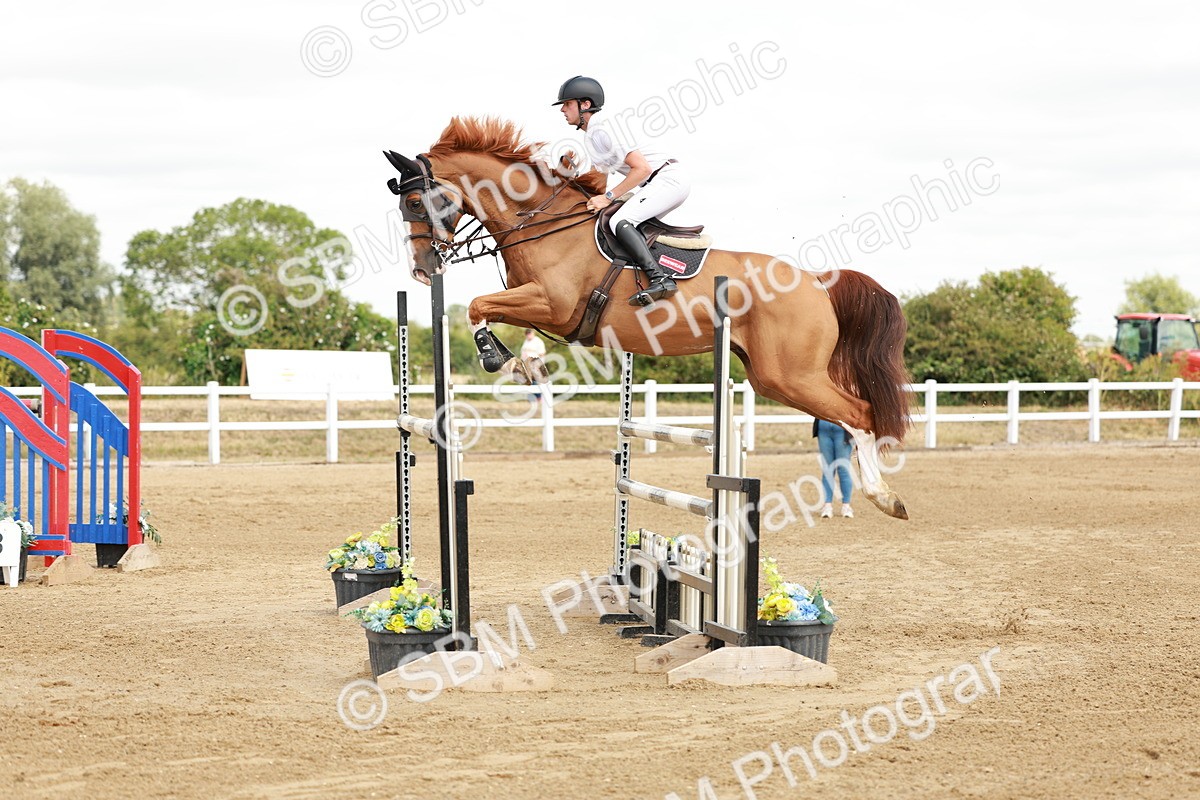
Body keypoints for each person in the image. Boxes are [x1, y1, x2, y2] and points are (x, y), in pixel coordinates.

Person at [552, 75, 690, 307]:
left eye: (567, 104)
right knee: (616, 222)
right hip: (657, 183)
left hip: (666, 179)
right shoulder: (591, 136)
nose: (563, 110)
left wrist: (607, 198)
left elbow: (642, 169)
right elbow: (599, 181)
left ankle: (660, 279)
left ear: (585, 105)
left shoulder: (603, 127)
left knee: (620, 220)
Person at [812, 418, 855, 519]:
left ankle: (846, 505)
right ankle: (827, 505)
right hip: (823, 429)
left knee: (843, 469)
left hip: (842, 430)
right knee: (827, 469)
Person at [520, 328, 547, 401]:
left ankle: (538, 398)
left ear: (533, 333)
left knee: (536, 381)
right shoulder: (526, 342)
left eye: (529, 334)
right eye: (527, 334)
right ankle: (531, 398)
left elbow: (542, 353)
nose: (528, 336)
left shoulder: (538, 341)